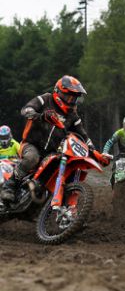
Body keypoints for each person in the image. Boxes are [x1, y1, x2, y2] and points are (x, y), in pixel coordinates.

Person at [1, 75, 106, 203]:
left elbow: (84, 136)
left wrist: (96, 154)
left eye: (74, 98)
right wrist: (41, 116)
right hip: (31, 144)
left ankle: (52, 199)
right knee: (32, 158)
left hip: (52, 151)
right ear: (58, 92)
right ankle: (9, 186)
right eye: (69, 96)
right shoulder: (45, 99)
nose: (71, 100)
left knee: (61, 166)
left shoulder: (72, 116)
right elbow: (26, 110)